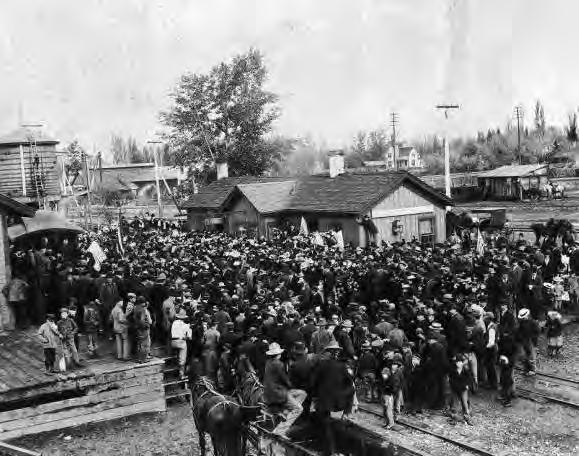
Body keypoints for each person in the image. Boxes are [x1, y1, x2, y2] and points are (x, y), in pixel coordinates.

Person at [263, 342, 306, 436]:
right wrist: (292, 385)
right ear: (278, 354)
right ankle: (280, 431)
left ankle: (286, 413)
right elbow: (285, 380)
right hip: (278, 393)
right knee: (299, 409)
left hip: (268, 392)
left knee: (302, 393)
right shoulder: (279, 364)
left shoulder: (268, 363)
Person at [448, 354, 473, 424]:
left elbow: (469, 379)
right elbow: (451, 380)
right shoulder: (453, 370)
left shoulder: (465, 370)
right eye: (457, 362)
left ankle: (467, 418)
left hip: (463, 389)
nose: (458, 363)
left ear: (462, 363)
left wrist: (467, 385)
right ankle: (455, 418)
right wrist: (453, 386)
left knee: (465, 404)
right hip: (455, 389)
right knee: (455, 404)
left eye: (460, 362)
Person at [516, 308, 539, 376]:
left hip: (530, 341)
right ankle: (526, 369)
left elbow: (537, 332)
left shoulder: (533, 322)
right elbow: (519, 331)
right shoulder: (521, 322)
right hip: (523, 341)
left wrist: (533, 340)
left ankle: (532, 370)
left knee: (531, 356)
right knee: (524, 356)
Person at [171, 309, 192, 378]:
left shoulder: (174, 323)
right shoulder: (186, 325)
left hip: (173, 342)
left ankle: (176, 371)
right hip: (181, 342)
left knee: (177, 357)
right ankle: (181, 374)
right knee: (182, 359)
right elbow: (189, 337)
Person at [133, 297, 152, 363]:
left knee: (139, 344)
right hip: (143, 329)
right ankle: (144, 359)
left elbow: (135, 318)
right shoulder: (142, 310)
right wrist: (146, 325)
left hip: (137, 328)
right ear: (143, 303)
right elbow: (142, 320)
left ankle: (139, 358)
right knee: (145, 344)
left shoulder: (135, 308)